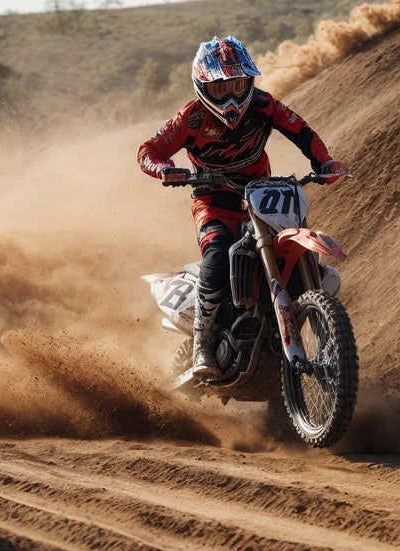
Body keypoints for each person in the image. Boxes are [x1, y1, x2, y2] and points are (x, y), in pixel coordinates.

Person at [138, 35, 348, 379]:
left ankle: (317, 336)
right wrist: (164, 169)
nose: (232, 97)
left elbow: (302, 132)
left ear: (249, 81)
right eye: (221, 88)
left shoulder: (264, 105)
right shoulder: (190, 118)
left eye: (238, 85)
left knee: (294, 249)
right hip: (214, 202)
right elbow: (148, 150)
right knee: (218, 254)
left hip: (262, 195)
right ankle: (203, 344)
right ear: (203, 86)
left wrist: (325, 162)